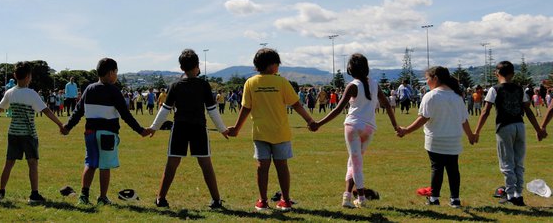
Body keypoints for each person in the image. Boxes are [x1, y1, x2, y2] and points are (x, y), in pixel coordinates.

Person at [227, 48, 316, 212]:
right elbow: (296, 104)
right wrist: (309, 120)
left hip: (261, 133)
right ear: (271, 65)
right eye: (277, 64)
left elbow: (246, 108)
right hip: (280, 132)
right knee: (282, 167)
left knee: (262, 167)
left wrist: (237, 128)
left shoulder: (250, 82)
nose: (278, 67)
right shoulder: (281, 82)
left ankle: (262, 201)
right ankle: (286, 201)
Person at [311, 53, 399, 208]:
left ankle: (362, 198)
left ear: (350, 69)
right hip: (369, 128)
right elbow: (386, 104)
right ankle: (347, 197)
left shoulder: (352, 86)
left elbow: (338, 110)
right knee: (353, 162)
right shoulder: (374, 84)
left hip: (353, 126)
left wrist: (319, 123)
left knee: (355, 163)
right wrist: (395, 126)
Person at [62, 58, 151, 206]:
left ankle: (83, 196)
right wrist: (140, 130)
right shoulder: (114, 91)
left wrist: (68, 127)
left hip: (90, 133)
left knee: (90, 163)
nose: (116, 75)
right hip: (107, 134)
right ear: (110, 73)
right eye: (116, 72)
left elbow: (78, 111)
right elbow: (126, 115)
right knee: (104, 166)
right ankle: (102, 197)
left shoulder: (89, 89)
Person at [149, 49, 229, 209]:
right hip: (199, 127)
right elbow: (212, 110)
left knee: (171, 163)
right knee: (206, 164)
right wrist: (222, 129)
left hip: (179, 128)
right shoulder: (204, 85)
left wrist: (153, 128)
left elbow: (164, 109)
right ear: (197, 66)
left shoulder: (175, 86)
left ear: (181, 68)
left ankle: (161, 198)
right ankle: (216, 200)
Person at [0, 62, 66, 204]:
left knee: (9, 163)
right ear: (28, 77)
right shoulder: (31, 94)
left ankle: (1, 192)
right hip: (28, 134)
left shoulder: (10, 93)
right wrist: (60, 125)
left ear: (15, 76)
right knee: (32, 163)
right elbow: (46, 111)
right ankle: (34, 194)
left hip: (13, 132)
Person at [397, 66, 476, 208]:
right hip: (453, 140)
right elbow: (464, 120)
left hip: (436, 139)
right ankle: (455, 199)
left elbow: (423, 119)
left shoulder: (431, 96)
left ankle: (434, 198)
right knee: (453, 169)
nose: (426, 82)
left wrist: (406, 130)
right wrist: (470, 135)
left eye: (427, 79)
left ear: (435, 78)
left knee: (437, 168)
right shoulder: (457, 97)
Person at [474, 61, 546, 206]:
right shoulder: (520, 89)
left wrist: (476, 131)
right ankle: (518, 195)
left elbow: (485, 111)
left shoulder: (495, 89)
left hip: (504, 127)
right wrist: (538, 130)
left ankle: (511, 194)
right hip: (520, 125)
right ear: (513, 74)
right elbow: (529, 111)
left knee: (506, 162)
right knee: (518, 162)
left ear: (496, 73)